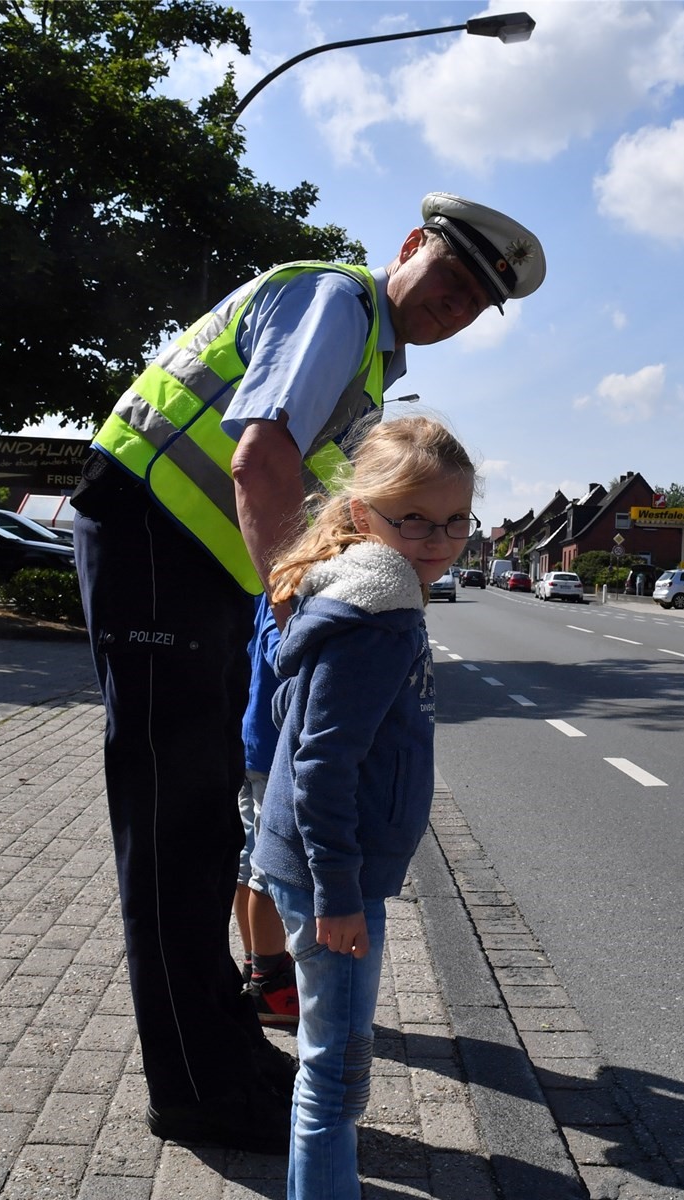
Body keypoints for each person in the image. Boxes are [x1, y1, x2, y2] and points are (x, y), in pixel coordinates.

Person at [69, 193, 543, 1153]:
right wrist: (290, 608)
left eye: (477, 301)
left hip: (182, 563)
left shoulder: (369, 360)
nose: (455, 304)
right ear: (410, 247)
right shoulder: (337, 303)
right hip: (157, 547)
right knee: (173, 835)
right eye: (450, 275)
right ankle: (199, 1089)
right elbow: (261, 460)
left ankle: (223, 1056)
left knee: (199, 828)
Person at [252, 414, 475, 1199]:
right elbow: (322, 762)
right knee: (336, 1073)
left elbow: (294, 725)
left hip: (314, 869)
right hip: (330, 885)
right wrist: (338, 894)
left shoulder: (360, 590)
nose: (437, 539)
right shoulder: (378, 617)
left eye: (454, 520)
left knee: (333, 1061)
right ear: (360, 514)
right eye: (411, 518)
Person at [235, 595, 297, 1028]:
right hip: (274, 749)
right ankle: (269, 982)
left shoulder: (269, 584)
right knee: (267, 870)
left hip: (254, 741)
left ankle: (256, 968)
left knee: (249, 861)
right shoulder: (290, 590)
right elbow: (282, 656)